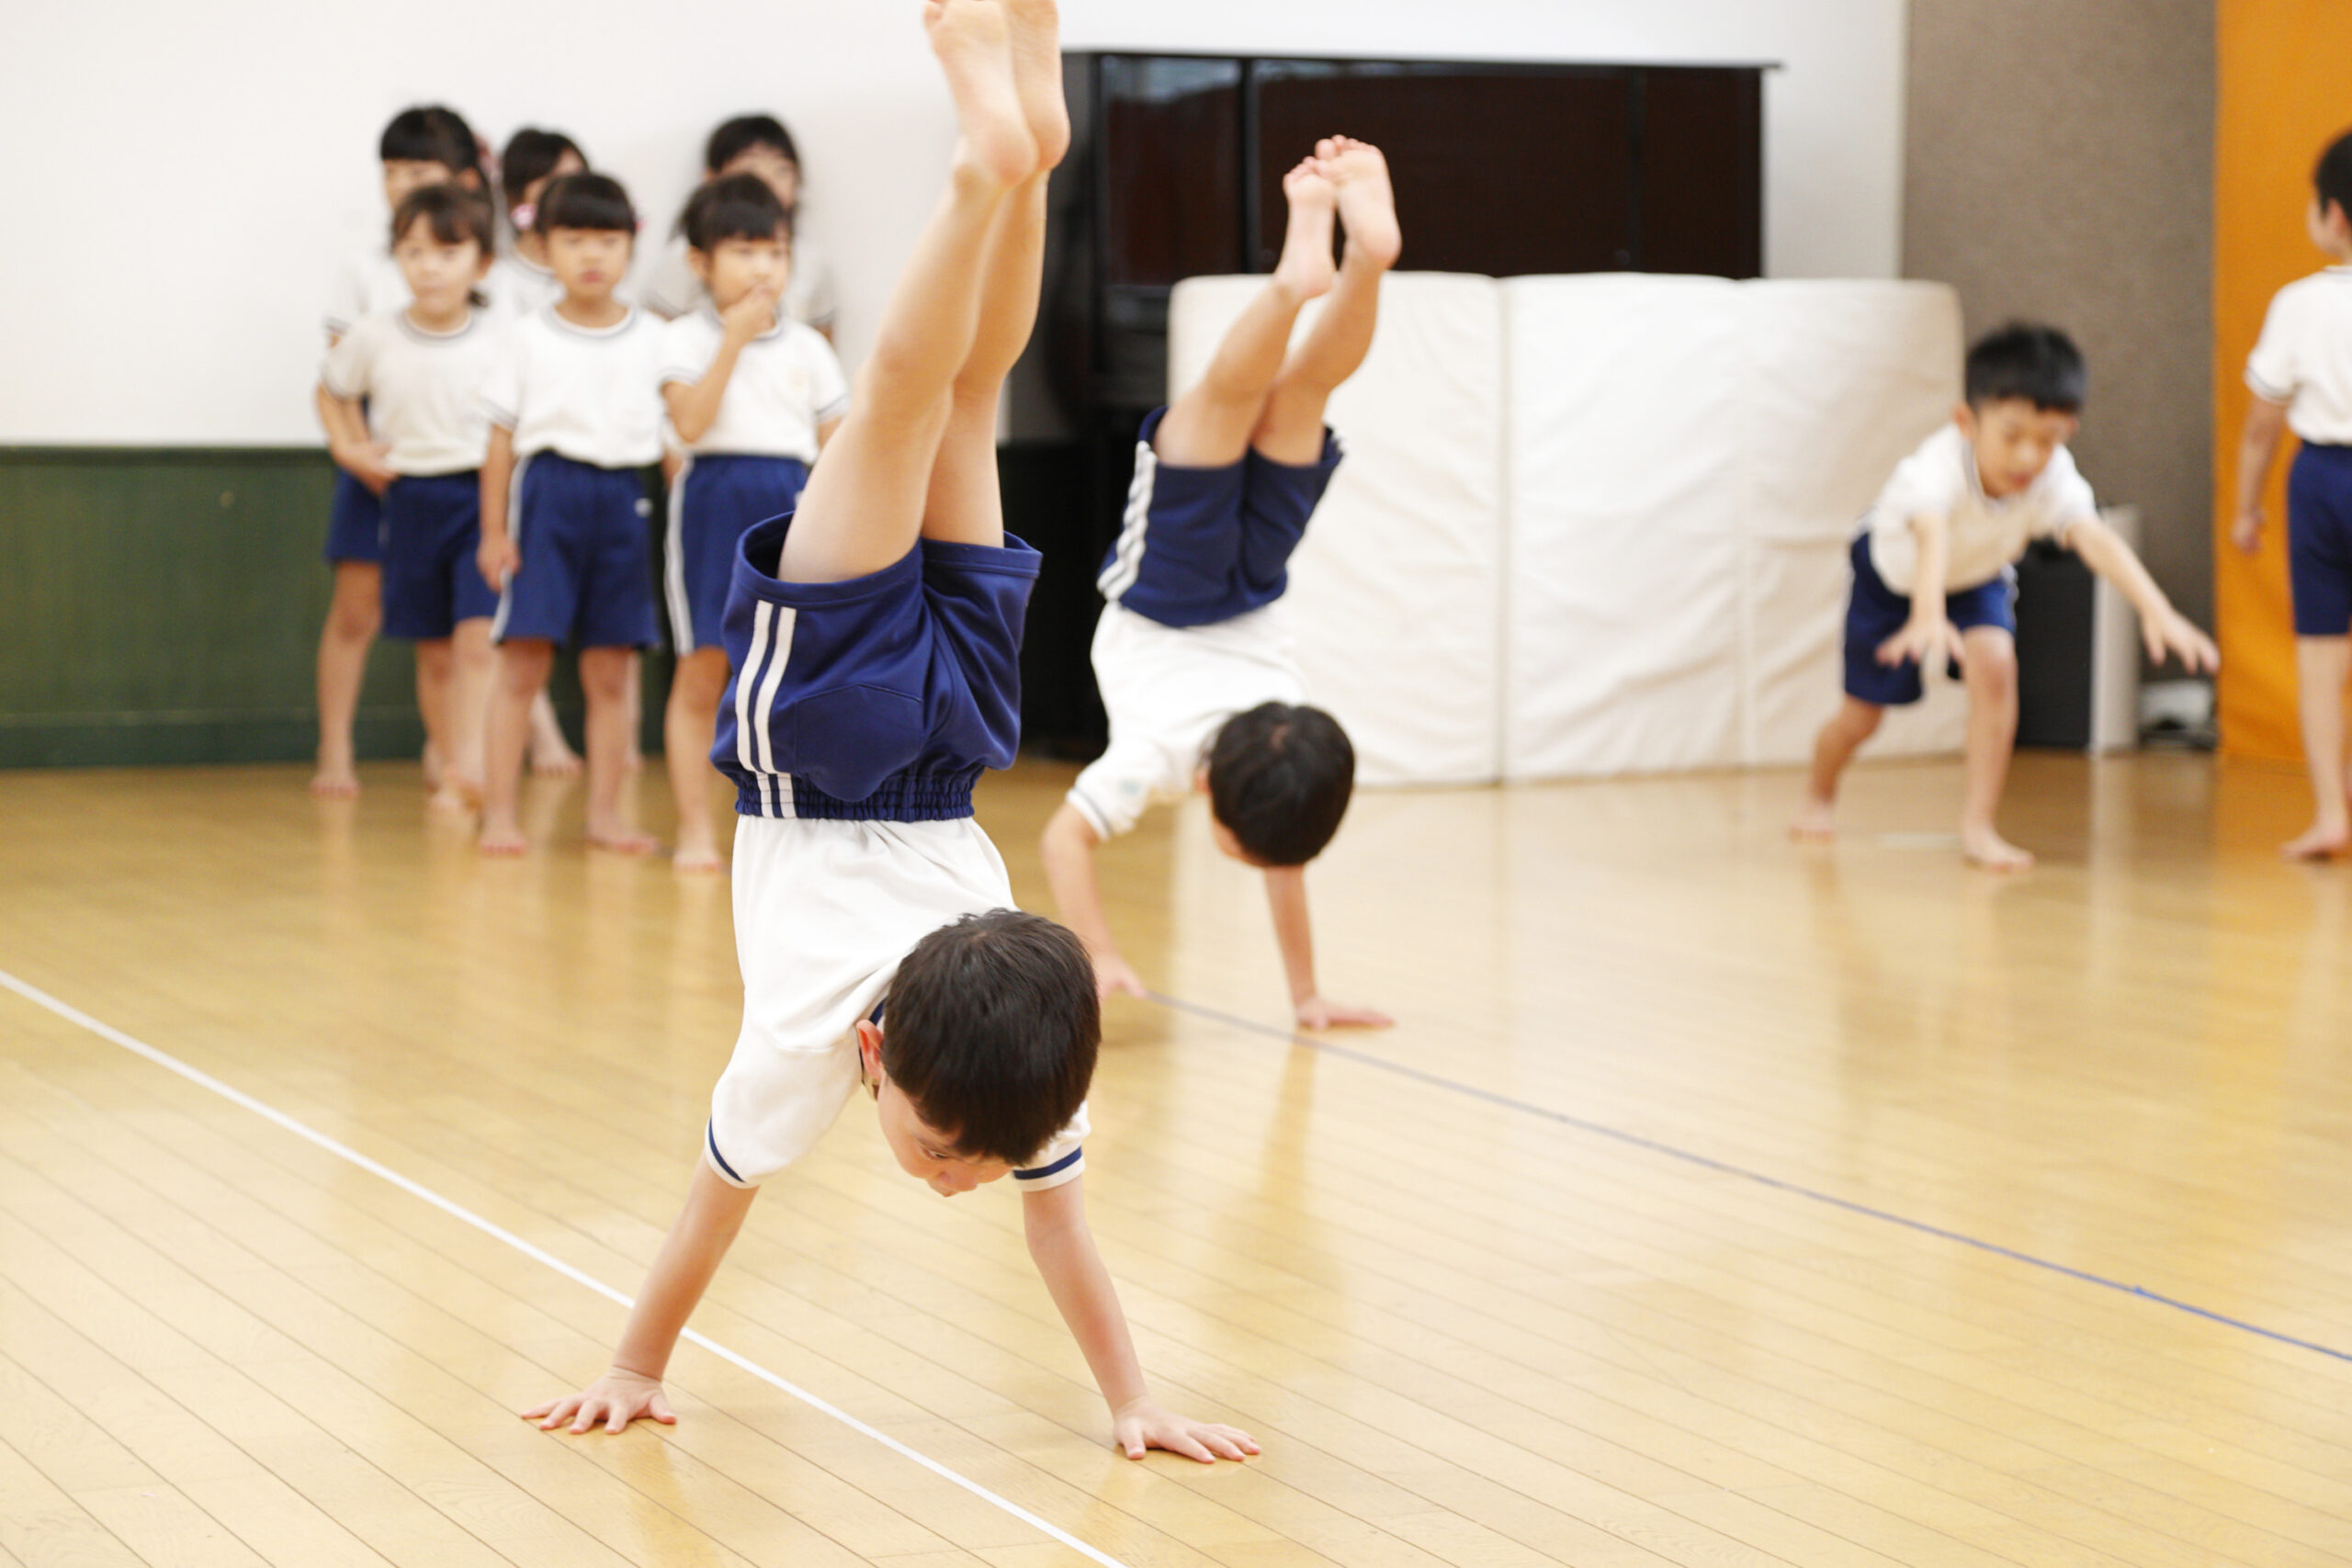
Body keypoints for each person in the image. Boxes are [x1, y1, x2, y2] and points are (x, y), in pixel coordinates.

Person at [523, 0, 1256, 1466]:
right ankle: (989, 164)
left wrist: (1134, 1399)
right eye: (940, 1148)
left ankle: (1031, 135)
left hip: (957, 742)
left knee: (959, 394)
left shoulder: (1018, 1043)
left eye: (960, 1160)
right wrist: (629, 1362)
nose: (951, 1177)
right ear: (872, 1047)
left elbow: (1053, 1225)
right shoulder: (813, 1049)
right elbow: (706, 1211)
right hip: (824, 739)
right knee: (906, 400)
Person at [1037, 138, 1399, 1030]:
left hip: (1257, 575)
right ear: (1209, 801)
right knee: (1218, 407)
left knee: (1300, 391)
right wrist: (1098, 949)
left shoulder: (1282, 729)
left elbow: (1285, 854)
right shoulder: (1156, 758)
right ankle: (1289, 281)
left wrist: (1307, 995)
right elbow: (1062, 838)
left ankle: (1367, 262)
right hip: (1167, 587)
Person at [1792, 323, 2219, 869]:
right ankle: (1819, 792)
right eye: (2012, 436)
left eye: (2048, 439)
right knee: (1862, 718)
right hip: (1894, 578)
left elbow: (2092, 537)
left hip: (1977, 575)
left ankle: (1978, 827)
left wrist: (2157, 610)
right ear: (1966, 422)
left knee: (1996, 666)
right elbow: (1932, 535)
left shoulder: (2051, 475)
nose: (2028, 458)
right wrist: (1926, 613)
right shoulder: (1933, 467)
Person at [658, 175, 849, 872]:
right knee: (704, 667)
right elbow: (687, 423)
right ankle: (696, 830)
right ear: (700, 262)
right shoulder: (681, 337)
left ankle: (795, 822)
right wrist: (732, 340)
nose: (763, 267)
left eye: (775, 250)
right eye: (742, 250)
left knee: (795, 669)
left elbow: (838, 443)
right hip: (713, 500)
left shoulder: (809, 347)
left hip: (793, 500)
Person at [475, 173, 666, 856]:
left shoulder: (654, 337)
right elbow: (498, 443)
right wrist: (494, 530)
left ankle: (605, 816)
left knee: (611, 668)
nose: (592, 255)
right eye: (574, 239)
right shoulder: (525, 337)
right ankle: (499, 812)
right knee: (522, 660)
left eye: (608, 240)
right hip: (548, 495)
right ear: (543, 245)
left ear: (630, 246)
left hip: (625, 500)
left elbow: (675, 437)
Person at [312, 106, 484, 797]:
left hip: (459, 474)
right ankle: (335, 749)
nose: (399, 183)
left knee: (461, 628)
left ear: (463, 179)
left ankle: (451, 756)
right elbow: (337, 376)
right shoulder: (367, 270)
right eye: (390, 171)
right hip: (383, 465)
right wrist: (353, 451)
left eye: (418, 169)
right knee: (358, 610)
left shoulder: (479, 280)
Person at [2234, 129, 2352, 860]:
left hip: (2321, 482)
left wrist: (2247, 508)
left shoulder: (2300, 303)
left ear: (2333, 216)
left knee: (2319, 653)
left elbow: (2260, 425)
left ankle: (2331, 812)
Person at [643, 113, 839, 339]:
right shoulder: (685, 256)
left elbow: (824, 345)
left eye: (782, 170)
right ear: (712, 178)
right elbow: (656, 341)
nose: (767, 182)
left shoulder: (813, 262)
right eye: (751, 169)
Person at [490, 128, 588, 324]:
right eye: (554, 182)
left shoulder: (601, 270)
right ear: (515, 197)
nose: (570, 194)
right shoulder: (497, 281)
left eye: (578, 180)